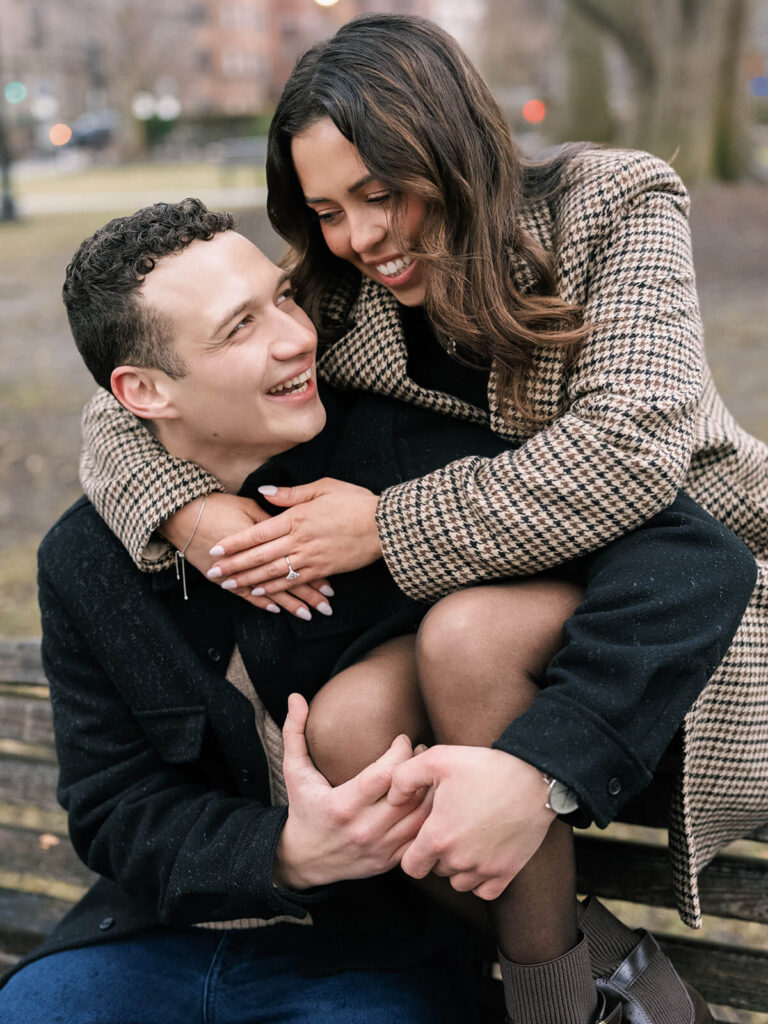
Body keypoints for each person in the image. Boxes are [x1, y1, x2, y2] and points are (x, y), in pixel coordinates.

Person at [71, 14, 767, 1024]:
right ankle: (593, 983)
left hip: (678, 595)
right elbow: (124, 392)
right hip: (511, 601)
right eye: (326, 210)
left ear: (448, 143)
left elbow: (631, 445)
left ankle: (554, 1006)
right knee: (353, 725)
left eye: (380, 192)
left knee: (470, 633)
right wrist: (192, 513)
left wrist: (385, 527)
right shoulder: (345, 285)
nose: (359, 237)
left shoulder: (612, 204)